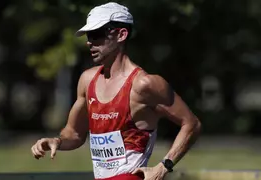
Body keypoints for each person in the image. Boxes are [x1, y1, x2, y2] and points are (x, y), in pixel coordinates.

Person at [31, 2, 201, 180]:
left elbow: (192, 124)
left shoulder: (144, 84)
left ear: (121, 34)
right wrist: (56, 142)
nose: (89, 42)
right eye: (89, 35)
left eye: (97, 35)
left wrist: (164, 166)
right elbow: (74, 133)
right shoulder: (87, 80)